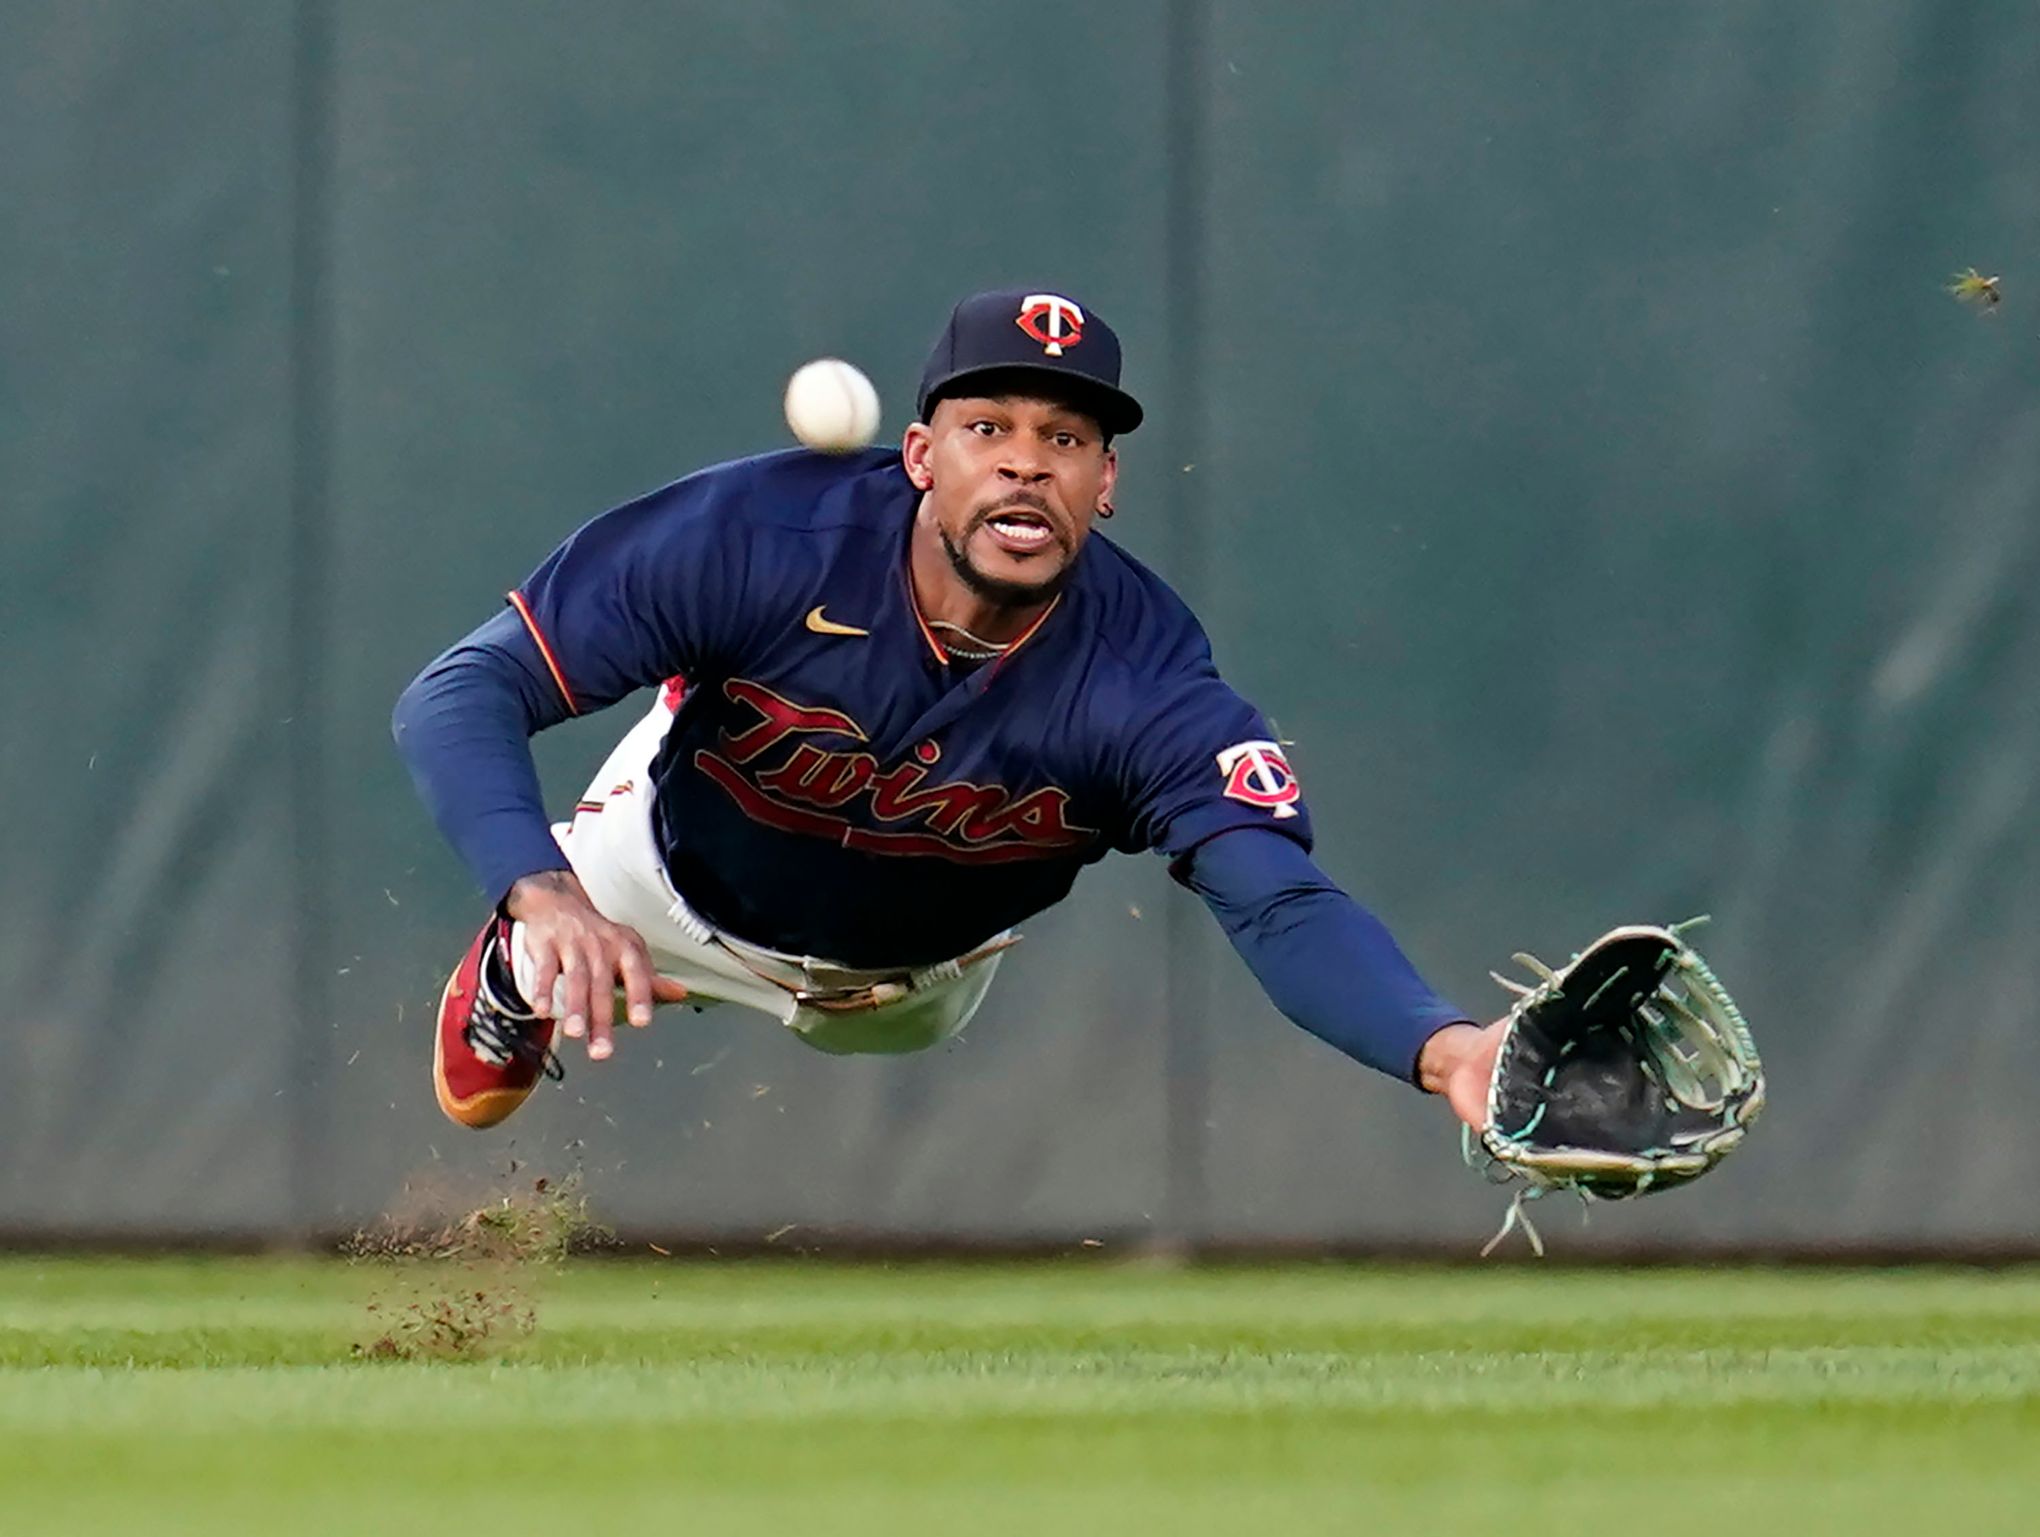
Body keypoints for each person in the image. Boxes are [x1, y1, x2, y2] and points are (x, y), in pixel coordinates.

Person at [393, 287, 1502, 1135]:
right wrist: (537, 890)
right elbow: (460, 690)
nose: (1027, 465)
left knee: (883, 1025)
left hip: (909, 992)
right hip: (653, 882)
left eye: (1065, 439)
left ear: (1106, 482)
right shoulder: (759, 539)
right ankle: (518, 960)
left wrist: (1448, 1051)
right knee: (557, 944)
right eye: (990, 429)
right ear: (921, 454)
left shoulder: (1146, 678)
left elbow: (1279, 901)